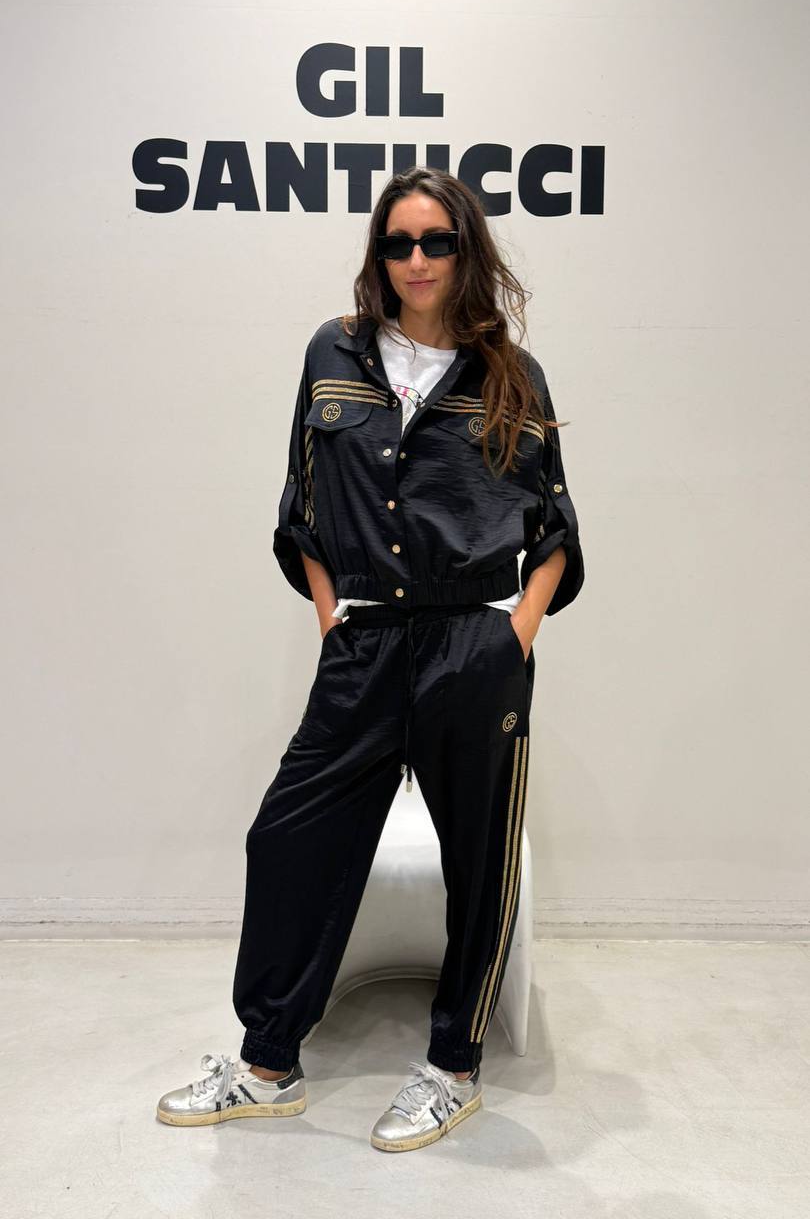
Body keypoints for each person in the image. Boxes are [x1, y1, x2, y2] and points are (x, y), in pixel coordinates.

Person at [156, 166, 585, 1151]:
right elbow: (301, 506)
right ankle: (268, 1063)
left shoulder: (510, 374)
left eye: (437, 241)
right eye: (399, 242)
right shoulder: (334, 352)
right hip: (364, 641)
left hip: (472, 646)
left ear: (466, 249)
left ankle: (452, 1068)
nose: (417, 259)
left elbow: (555, 530)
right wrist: (331, 619)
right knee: (288, 837)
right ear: (378, 253)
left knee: (478, 861)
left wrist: (511, 633)